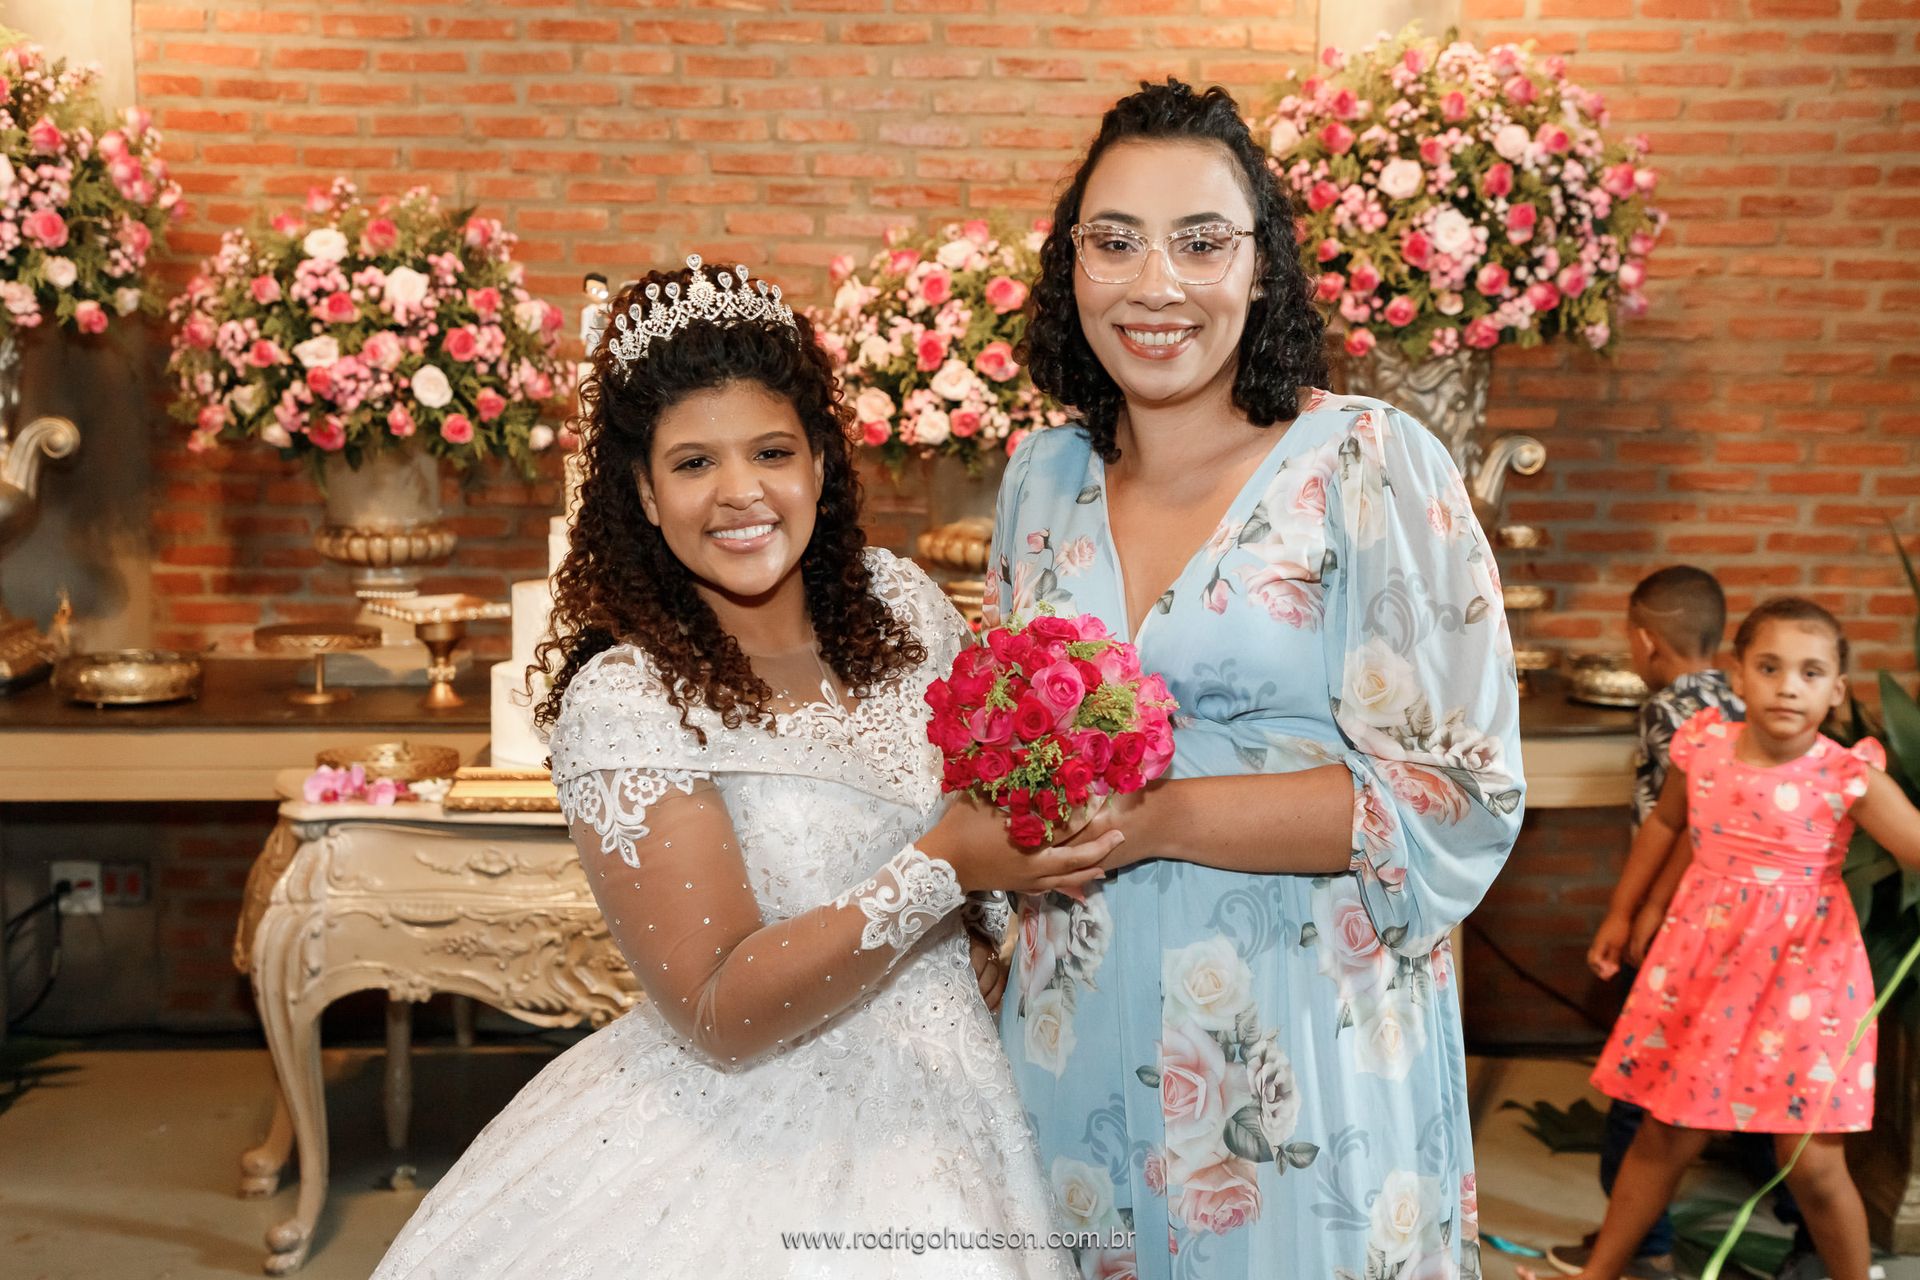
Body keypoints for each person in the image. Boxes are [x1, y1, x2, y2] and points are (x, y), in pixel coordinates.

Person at [372, 257, 1126, 1279]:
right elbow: (718, 1010)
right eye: (692, 464)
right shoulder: (629, 702)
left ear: (819, 460)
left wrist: (1004, 910)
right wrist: (946, 866)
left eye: (771, 450)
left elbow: (987, 805)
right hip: (755, 1135)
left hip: (974, 1084)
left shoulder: (903, 605)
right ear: (641, 491)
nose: (740, 493)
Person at [985, 80, 1524, 1279]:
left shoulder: (1368, 463)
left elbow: (1454, 794)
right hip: (1074, 1031)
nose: (1155, 284)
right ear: (1071, 264)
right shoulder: (1041, 475)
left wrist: (1157, 816)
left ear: (1263, 267)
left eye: (1200, 241)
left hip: (1294, 1066)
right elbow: (999, 744)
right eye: (1114, 241)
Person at [1556, 598, 1920, 1280]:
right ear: (1739, 676)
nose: (1788, 684)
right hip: (1704, 968)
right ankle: (1598, 1272)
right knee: (1665, 1134)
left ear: (1836, 690)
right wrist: (1623, 910)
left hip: (1807, 983)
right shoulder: (1705, 751)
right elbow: (1667, 829)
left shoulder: (1847, 776)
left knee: (1810, 1161)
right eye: (1770, 666)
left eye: (1811, 672)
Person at [1549, 565, 1744, 1280]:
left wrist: (1640, 910)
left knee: (1641, 1081)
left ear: (1643, 643)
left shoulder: (1668, 711)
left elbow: (1687, 823)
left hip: (1679, 931)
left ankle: (1640, 1244)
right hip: (1727, 929)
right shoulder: (1732, 701)